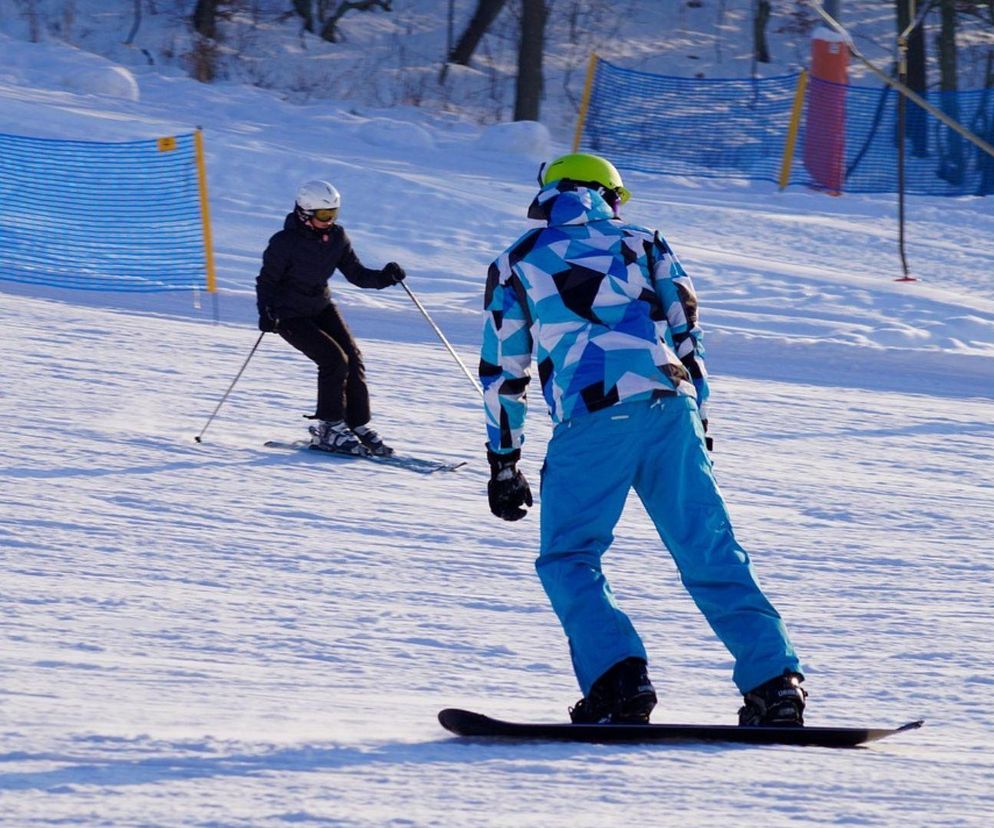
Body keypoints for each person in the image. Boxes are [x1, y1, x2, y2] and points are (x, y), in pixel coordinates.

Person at [479, 153, 807, 726]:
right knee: (708, 546)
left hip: (593, 416)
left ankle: (618, 680)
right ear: (609, 195)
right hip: (669, 407)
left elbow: (505, 370)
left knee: (570, 555)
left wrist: (504, 461)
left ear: (550, 194)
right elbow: (688, 332)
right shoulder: (645, 241)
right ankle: (774, 684)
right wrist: (698, 421)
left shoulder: (518, 261)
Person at [256, 180, 406, 456]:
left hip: (320, 307)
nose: (330, 221)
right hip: (289, 315)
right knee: (334, 360)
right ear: (305, 213)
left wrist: (385, 277)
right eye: (324, 215)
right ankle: (329, 428)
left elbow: (358, 275)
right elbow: (266, 281)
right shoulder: (284, 242)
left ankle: (356, 424)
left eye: (334, 214)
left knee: (353, 357)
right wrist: (265, 311)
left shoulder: (337, 238)